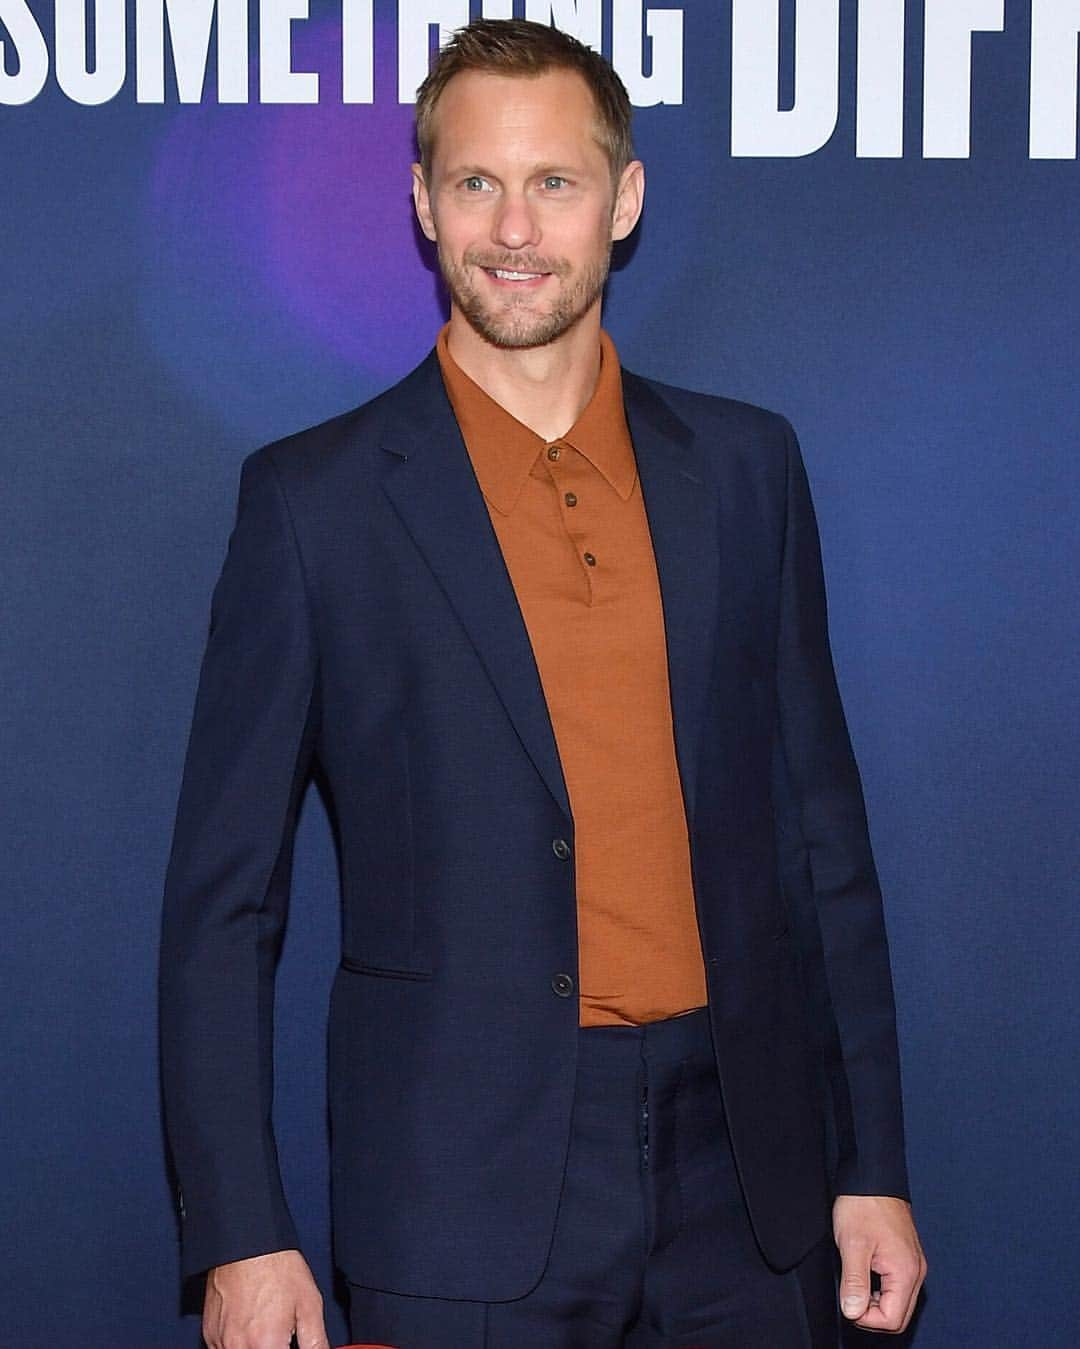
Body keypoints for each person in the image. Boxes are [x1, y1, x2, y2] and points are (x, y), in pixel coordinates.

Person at [159, 17, 927, 1349]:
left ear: (623, 200)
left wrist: (871, 1163)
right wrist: (239, 1229)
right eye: (476, 183)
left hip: (749, 1188)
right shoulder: (314, 503)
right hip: (456, 1195)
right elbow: (225, 904)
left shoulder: (747, 469)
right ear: (421, 202)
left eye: (554, 182)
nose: (514, 230)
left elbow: (824, 844)